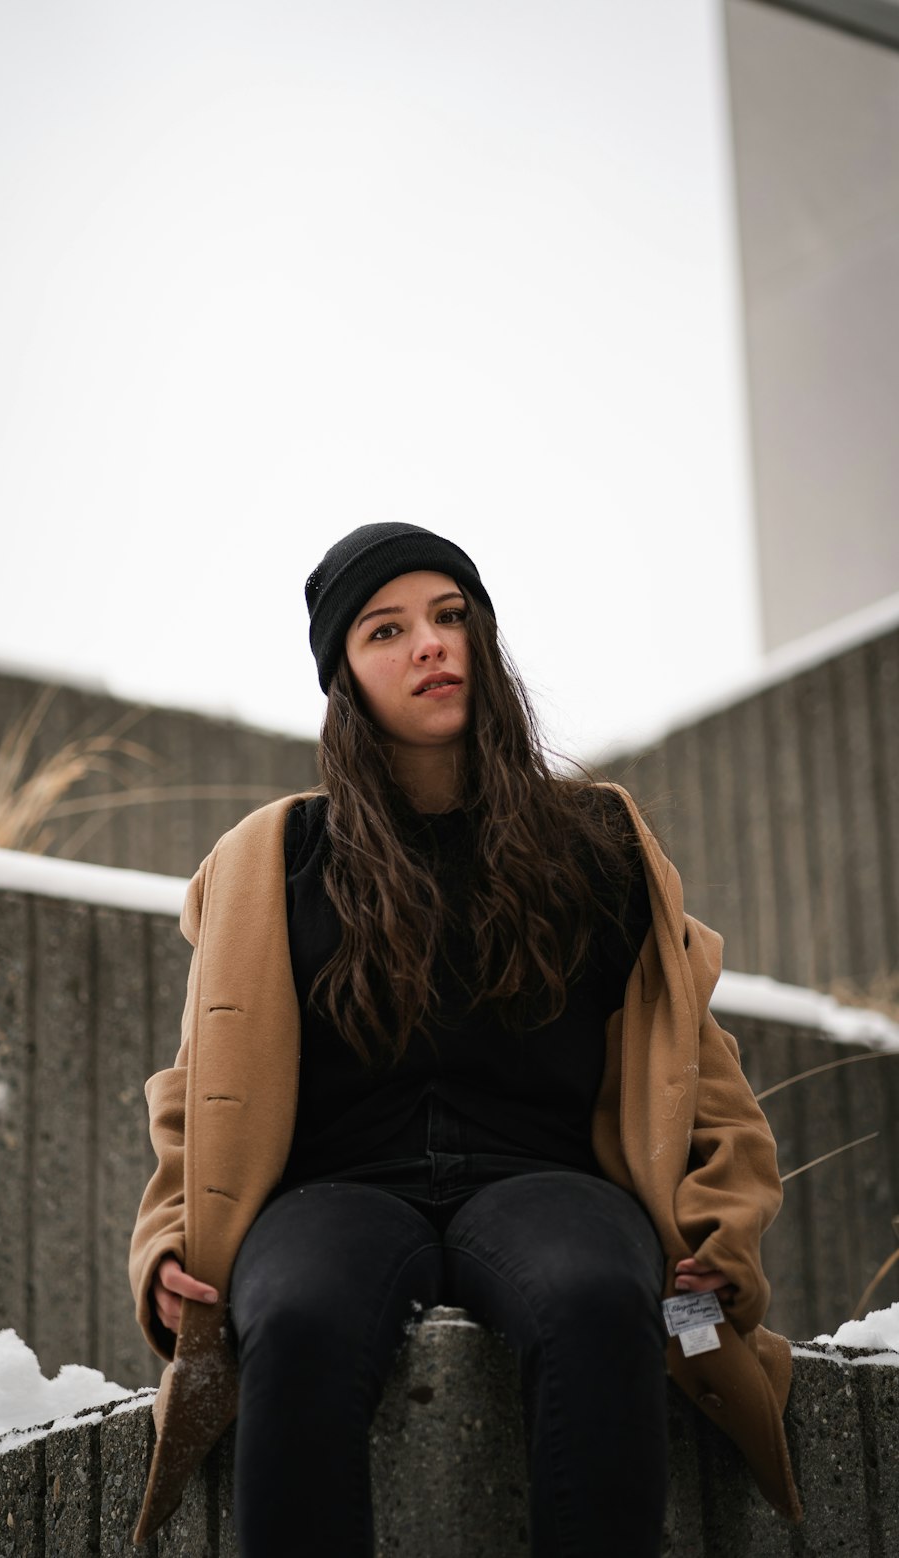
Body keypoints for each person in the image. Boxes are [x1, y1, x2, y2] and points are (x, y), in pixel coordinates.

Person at [129, 522, 801, 1555]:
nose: (430, 645)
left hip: (545, 1179)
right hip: (336, 1190)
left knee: (592, 1293)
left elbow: (696, 1071)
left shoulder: (598, 838)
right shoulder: (276, 856)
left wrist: (720, 1236)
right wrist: (166, 1246)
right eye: (385, 630)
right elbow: (201, 1084)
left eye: (450, 617)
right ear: (344, 676)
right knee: (298, 1317)